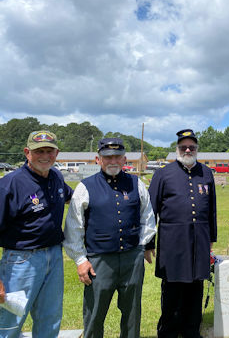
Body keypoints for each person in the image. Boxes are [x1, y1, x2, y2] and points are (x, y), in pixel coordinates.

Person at [63, 138, 156, 338]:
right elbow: (74, 227)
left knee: (132, 314)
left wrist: (140, 248)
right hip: (99, 261)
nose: (112, 160)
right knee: (94, 314)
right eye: (107, 157)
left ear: (124, 159)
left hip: (132, 259)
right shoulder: (85, 187)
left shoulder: (136, 184)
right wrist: (80, 260)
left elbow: (147, 218)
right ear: (98, 159)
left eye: (117, 156)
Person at [0, 130, 73, 337]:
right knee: (10, 321)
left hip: (54, 257)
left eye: (49, 151)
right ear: (26, 152)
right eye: (38, 151)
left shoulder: (56, 177)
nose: (44, 156)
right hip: (21, 261)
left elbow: (73, 199)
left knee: (50, 319)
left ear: (56, 153)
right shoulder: (10, 184)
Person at [147, 129, 217, 338]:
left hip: (199, 242)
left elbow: (211, 209)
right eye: (183, 147)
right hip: (172, 242)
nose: (188, 150)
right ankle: (168, 330)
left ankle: (191, 329)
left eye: (192, 147)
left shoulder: (206, 173)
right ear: (177, 149)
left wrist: (211, 239)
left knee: (195, 287)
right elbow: (151, 210)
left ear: (196, 149)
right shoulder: (163, 174)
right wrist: (149, 242)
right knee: (172, 289)